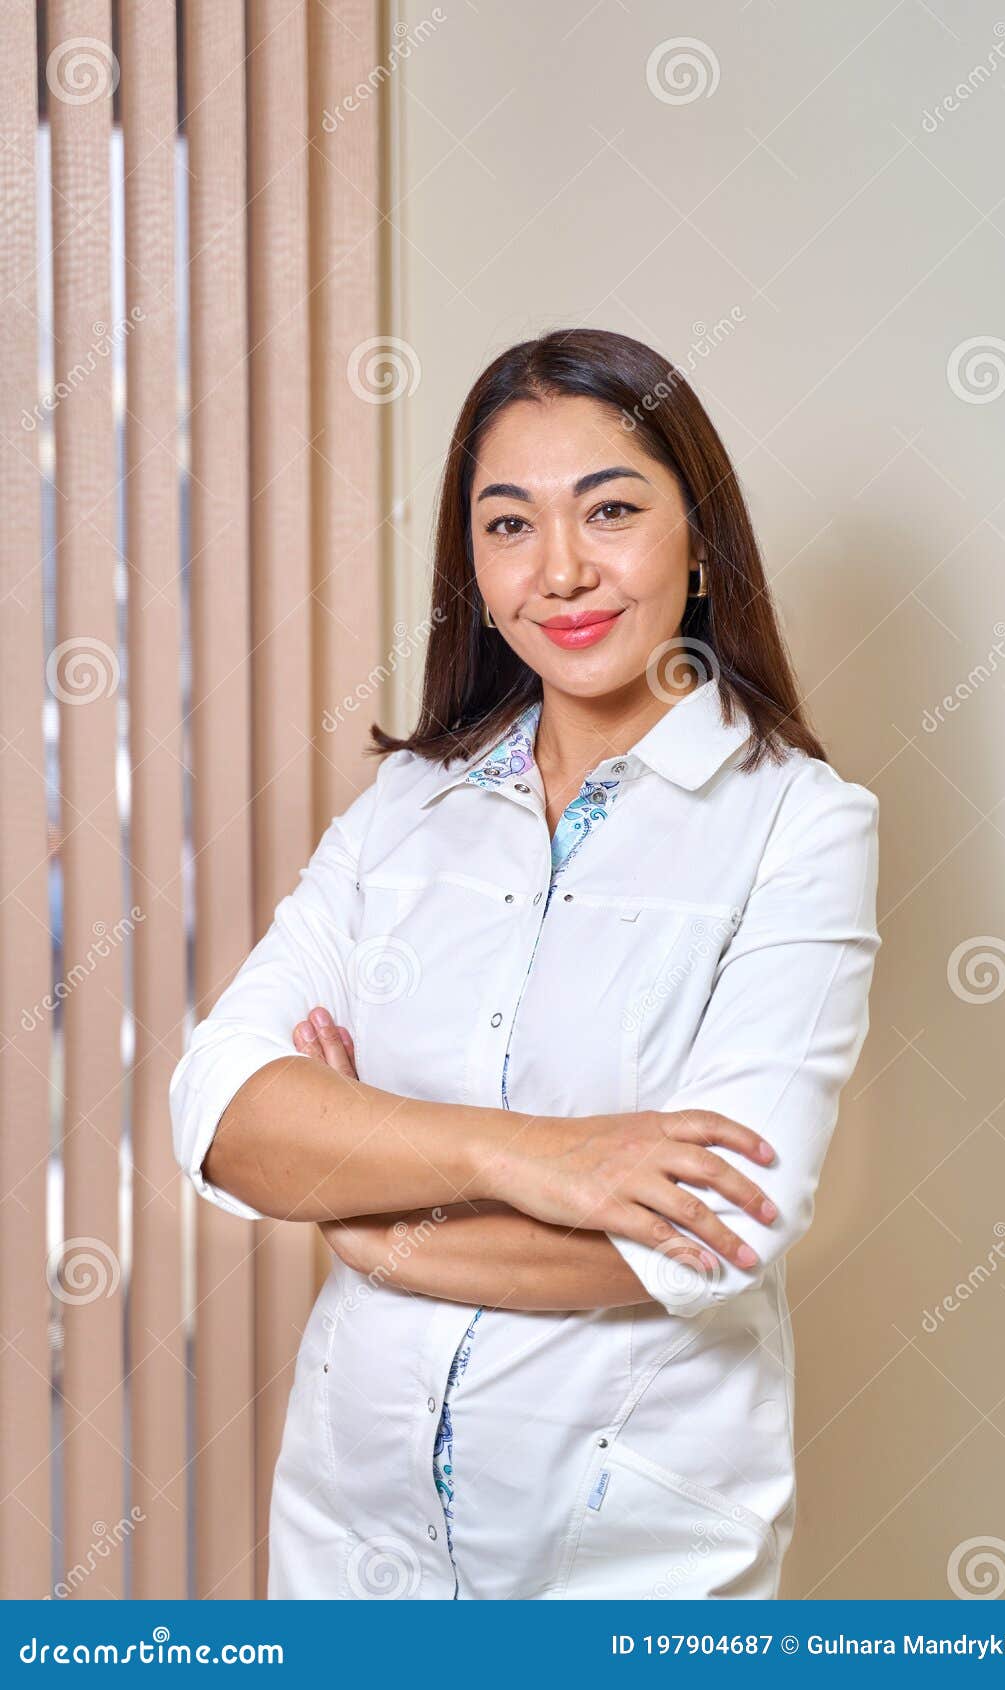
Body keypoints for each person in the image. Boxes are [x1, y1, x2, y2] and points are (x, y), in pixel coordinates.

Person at [170, 326, 881, 1600]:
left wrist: (365, 1209)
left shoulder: (799, 821)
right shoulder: (405, 805)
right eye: (508, 526)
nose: (560, 569)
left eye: (609, 509)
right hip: (354, 1534)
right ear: (474, 567)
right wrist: (533, 1156)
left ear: (699, 538)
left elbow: (712, 1234)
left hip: (630, 1549)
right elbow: (221, 1112)